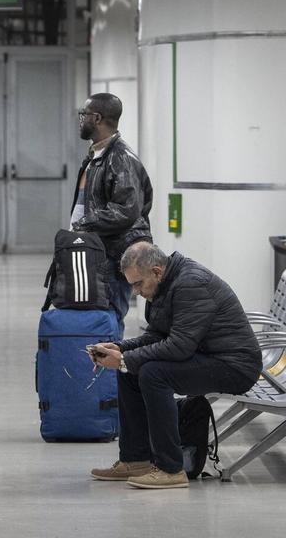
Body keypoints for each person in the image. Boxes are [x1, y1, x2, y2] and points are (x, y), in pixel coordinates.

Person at [88, 242, 261, 489]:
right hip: (209, 356)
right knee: (131, 372)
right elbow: (158, 335)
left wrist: (126, 359)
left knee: (152, 374)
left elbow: (179, 346)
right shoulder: (163, 285)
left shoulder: (191, 284)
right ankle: (136, 459)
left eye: (138, 284)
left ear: (157, 271)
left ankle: (171, 468)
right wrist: (121, 349)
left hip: (235, 366)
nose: (136, 292)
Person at [70, 93, 153, 322]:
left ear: (96, 118)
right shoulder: (97, 155)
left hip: (115, 257)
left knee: (109, 318)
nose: (80, 120)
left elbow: (126, 210)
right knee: (99, 317)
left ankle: (111, 358)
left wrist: (82, 225)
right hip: (100, 253)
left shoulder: (120, 158)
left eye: (83, 115)